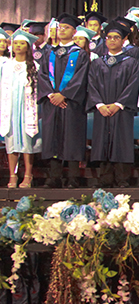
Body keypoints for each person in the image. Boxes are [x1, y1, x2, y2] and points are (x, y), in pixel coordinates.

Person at [37, 13, 91, 187]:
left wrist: (64, 94)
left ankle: (73, 177)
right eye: (60, 27)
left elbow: (81, 79)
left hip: (71, 104)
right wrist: (51, 95)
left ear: (74, 32)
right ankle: (54, 177)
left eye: (66, 27)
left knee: (72, 137)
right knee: (52, 137)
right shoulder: (49, 53)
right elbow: (42, 76)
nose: (62, 30)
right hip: (52, 103)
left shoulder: (80, 55)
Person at [87, 21, 139, 187]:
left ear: (123, 40)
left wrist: (119, 104)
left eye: (116, 37)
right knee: (103, 140)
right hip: (102, 110)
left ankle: (122, 178)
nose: (112, 40)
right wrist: (99, 105)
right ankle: (104, 178)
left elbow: (133, 85)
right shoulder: (98, 63)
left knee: (121, 142)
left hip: (122, 110)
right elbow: (91, 85)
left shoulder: (131, 62)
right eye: (109, 37)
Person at [0, 30, 42, 188]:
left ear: (28, 47)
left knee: (26, 142)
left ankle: (28, 176)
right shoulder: (6, 66)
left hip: (26, 109)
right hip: (10, 109)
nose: (18, 46)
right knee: (11, 141)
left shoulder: (34, 66)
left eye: (22, 43)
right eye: (16, 43)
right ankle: (12, 176)